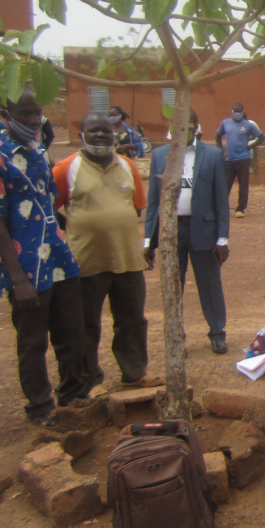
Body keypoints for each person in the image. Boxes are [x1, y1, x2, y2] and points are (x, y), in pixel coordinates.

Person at [52, 113, 162, 390]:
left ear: (114, 135)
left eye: (106, 131)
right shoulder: (66, 168)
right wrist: (74, 225)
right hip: (86, 261)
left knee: (133, 320)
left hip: (127, 259)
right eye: (93, 131)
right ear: (82, 136)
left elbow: (136, 206)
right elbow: (49, 207)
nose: (101, 135)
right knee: (86, 324)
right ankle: (90, 379)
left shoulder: (127, 165)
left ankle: (134, 373)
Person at [0, 89, 86, 426]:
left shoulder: (37, 151)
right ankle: (39, 407)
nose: (35, 121)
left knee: (71, 331)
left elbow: (47, 204)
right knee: (33, 341)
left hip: (60, 258)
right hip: (27, 267)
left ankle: (73, 397)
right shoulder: (1, 155)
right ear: (7, 115)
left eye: (37, 113)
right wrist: (18, 280)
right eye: (25, 116)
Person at [144, 110, 231, 354]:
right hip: (171, 233)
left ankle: (217, 333)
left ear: (196, 126)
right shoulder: (160, 155)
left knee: (210, 284)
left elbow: (221, 202)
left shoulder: (212, 156)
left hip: (204, 231)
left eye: (189, 125)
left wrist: (222, 238)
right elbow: (153, 202)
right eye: (178, 124)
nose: (183, 129)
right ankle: (176, 337)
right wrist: (149, 240)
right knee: (173, 286)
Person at [215, 102, 264, 218]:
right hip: (229, 160)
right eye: (235, 112)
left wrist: (250, 146)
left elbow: (261, 137)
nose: (237, 114)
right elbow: (218, 135)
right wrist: (220, 150)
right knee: (225, 185)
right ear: (232, 112)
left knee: (243, 185)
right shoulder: (225, 123)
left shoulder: (248, 125)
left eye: (239, 112)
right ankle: (221, 208)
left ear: (243, 112)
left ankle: (240, 209)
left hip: (243, 159)